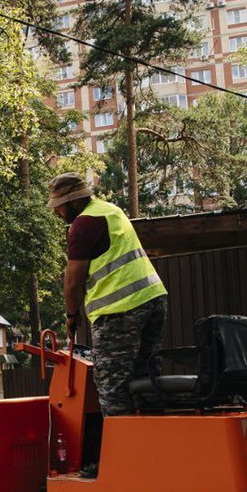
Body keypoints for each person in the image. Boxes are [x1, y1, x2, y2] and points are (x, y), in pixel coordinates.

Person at [49, 172, 168, 416]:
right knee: (146, 377)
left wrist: (72, 315)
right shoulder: (110, 210)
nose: (56, 212)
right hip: (153, 299)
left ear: (72, 202)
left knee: (112, 385)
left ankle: (123, 449)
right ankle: (155, 442)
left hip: (120, 310)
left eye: (59, 207)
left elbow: (73, 281)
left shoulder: (83, 224)